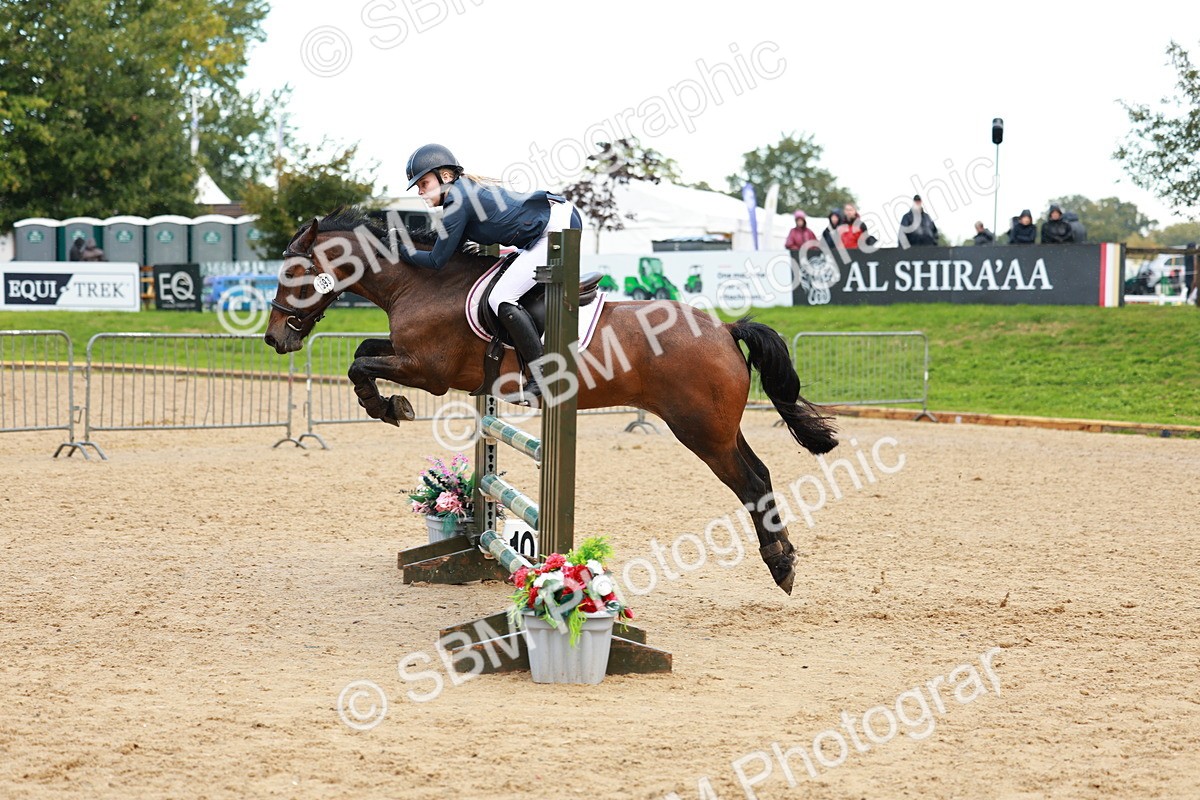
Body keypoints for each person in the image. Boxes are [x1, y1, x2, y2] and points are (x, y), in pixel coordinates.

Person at [398, 143, 581, 404]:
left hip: (556, 229)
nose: (420, 191)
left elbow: (437, 260)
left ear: (445, 176)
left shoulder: (457, 201)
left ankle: (543, 374)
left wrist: (400, 250)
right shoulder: (461, 194)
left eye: (424, 183)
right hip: (554, 220)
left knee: (501, 297)